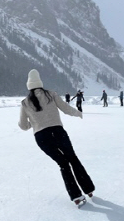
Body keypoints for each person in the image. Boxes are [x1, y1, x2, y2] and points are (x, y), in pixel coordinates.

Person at [18, 69, 95, 207]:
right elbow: (65, 108)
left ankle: (76, 197)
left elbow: (23, 126)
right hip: (58, 132)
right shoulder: (51, 95)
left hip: (41, 137)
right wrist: (78, 113)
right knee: (73, 159)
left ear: (29, 86)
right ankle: (88, 190)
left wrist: (35, 122)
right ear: (40, 83)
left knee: (63, 164)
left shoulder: (25, 103)